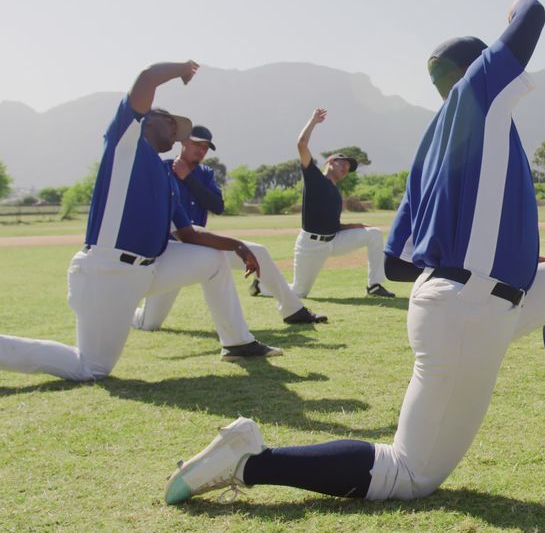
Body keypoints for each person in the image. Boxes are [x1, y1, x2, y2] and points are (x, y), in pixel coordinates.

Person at [166, 0, 545, 506]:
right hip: (469, 312)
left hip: (474, 299)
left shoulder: (434, 143)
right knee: (410, 475)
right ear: (479, 68)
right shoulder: (479, 93)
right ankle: (250, 460)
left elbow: (394, 262)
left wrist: (489, 266)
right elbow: (532, 17)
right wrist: (518, 4)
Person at [0, 61, 281, 382]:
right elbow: (146, 79)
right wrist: (181, 70)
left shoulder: (167, 179)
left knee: (213, 261)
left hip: (149, 268)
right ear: (146, 120)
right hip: (108, 273)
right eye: (171, 123)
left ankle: (237, 343)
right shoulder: (126, 143)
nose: (177, 133)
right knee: (91, 368)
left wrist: (238, 246)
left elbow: (188, 234)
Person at [133, 125, 328, 330]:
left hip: (201, 244)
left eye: (206, 147)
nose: (201, 150)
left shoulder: (205, 173)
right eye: (197, 144)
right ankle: (127, 311)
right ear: (183, 141)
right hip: (171, 252)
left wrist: (187, 178)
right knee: (149, 323)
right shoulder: (162, 169)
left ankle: (293, 310)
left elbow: (217, 206)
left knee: (259, 252)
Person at [249, 109, 395, 300]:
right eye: (342, 163)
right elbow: (301, 144)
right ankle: (261, 286)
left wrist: (353, 226)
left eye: (348, 168)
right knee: (299, 292)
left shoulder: (336, 193)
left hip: (333, 241)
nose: (345, 168)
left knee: (373, 234)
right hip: (311, 245)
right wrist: (313, 121)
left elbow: (332, 225)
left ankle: (374, 285)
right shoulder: (315, 178)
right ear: (330, 162)